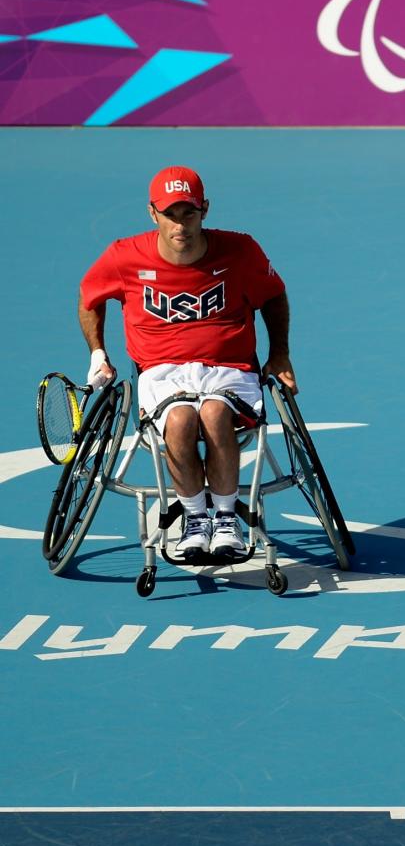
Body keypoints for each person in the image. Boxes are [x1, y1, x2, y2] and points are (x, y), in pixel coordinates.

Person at [78, 165, 296, 560]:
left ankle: (226, 519)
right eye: (170, 214)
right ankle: (196, 519)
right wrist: (98, 355)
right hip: (161, 372)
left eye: (189, 213)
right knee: (179, 420)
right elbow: (90, 298)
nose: (180, 224)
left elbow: (274, 296)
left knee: (214, 414)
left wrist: (279, 354)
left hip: (231, 368)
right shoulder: (123, 257)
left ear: (204, 210)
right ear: (153, 214)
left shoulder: (241, 250)